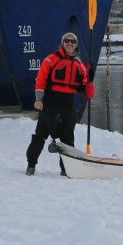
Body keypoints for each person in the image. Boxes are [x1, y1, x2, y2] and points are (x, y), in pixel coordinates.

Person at [25, 32, 94, 176]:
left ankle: (66, 168)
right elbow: (40, 80)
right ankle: (31, 164)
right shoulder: (50, 60)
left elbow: (83, 85)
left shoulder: (79, 65)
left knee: (68, 138)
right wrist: (38, 99)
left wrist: (89, 83)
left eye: (73, 41)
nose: (70, 43)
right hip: (50, 103)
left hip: (68, 104)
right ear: (62, 43)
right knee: (40, 135)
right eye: (67, 41)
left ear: (76, 45)